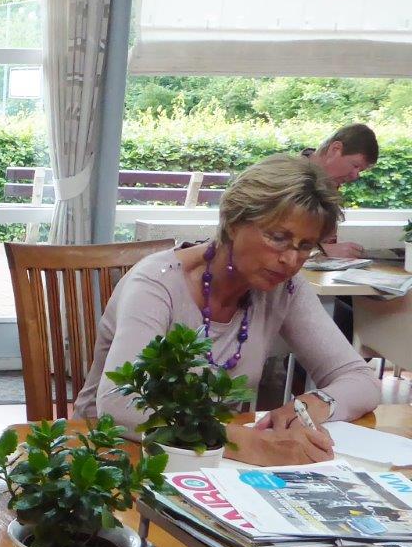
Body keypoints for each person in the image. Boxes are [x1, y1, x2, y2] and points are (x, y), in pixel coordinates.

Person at [74, 155, 380, 467]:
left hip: (213, 464)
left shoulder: (284, 289)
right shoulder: (157, 283)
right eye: (278, 238)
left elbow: (361, 379)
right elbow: (120, 405)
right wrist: (253, 445)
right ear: (233, 223)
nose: (291, 260)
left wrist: (314, 403)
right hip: (112, 455)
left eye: (305, 246)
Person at [298, 123, 380, 258]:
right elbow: (269, 238)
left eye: (360, 170)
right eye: (355, 165)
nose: (355, 176)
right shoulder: (288, 179)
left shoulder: (329, 182)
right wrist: (321, 250)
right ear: (335, 149)